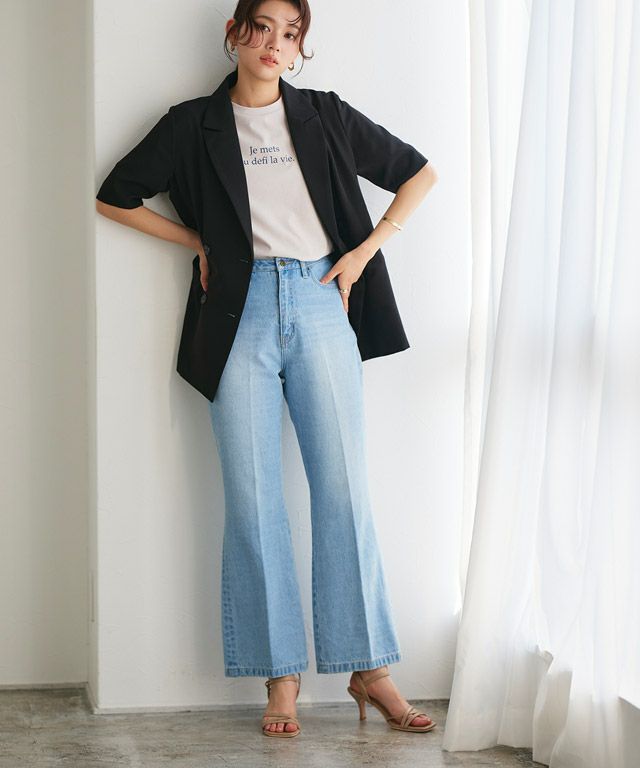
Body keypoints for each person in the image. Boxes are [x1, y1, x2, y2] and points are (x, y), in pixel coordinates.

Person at [96, 0, 438, 740]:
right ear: (234, 34)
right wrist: (198, 241)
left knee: (344, 492)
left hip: (321, 300)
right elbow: (114, 196)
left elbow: (418, 173)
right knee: (253, 501)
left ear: (300, 46)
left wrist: (363, 252)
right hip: (238, 312)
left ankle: (368, 668)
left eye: (291, 34)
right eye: (261, 28)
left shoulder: (323, 114)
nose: (274, 44)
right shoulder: (193, 123)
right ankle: (280, 677)